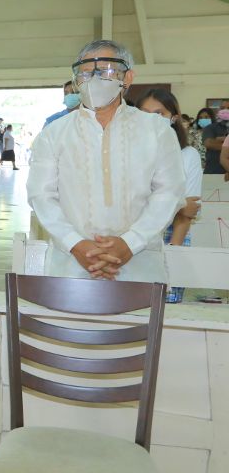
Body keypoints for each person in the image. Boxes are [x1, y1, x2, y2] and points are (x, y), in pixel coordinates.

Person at [27, 40, 185, 282]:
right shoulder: (54, 133)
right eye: (86, 73)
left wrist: (129, 243)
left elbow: (169, 193)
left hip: (139, 265)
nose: (94, 79)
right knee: (69, 321)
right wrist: (76, 244)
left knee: (139, 321)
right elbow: (41, 195)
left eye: (106, 71)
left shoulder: (156, 130)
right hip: (71, 264)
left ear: (128, 77)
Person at [136, 87, 202, 302]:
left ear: (173, 118)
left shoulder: (187, 155)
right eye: (144, 113)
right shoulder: (127, 155)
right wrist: (176, 204)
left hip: (172, 239)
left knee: (164, 312)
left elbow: (187, 212)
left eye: (159, 113)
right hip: (132, 241)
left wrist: (170, 258)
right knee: (131, 310)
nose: (151, 119)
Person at [202, 101, 229, 174]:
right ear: (219, 110)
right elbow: (209, 143)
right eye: (223, 108)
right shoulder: (210, 127)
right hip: (213, 171)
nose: (226, 110)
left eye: (228, 108)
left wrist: (218, 140)